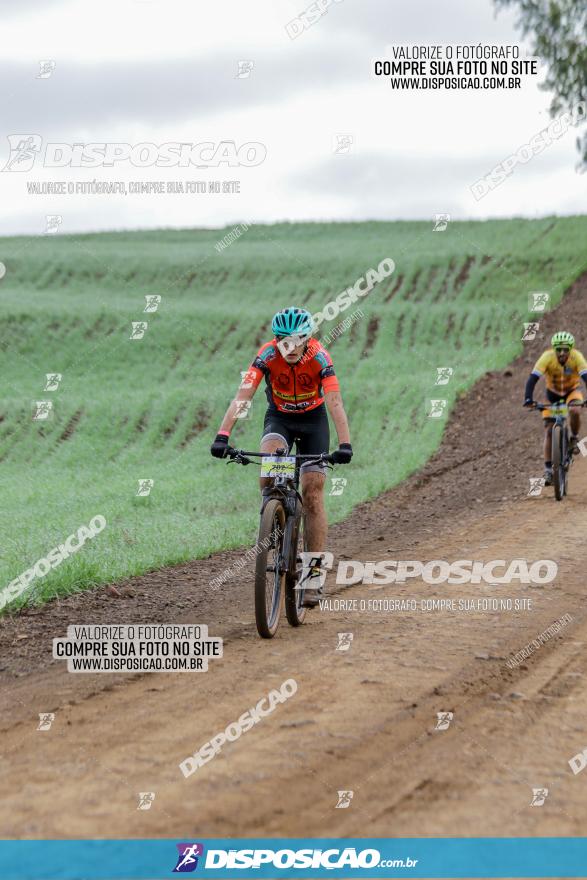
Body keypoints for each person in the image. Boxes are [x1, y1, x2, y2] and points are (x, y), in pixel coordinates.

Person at [210, 306, 352, 606]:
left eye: (297, 339)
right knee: (268, 475)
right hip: (280, 419)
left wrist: (345, 443)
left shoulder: (320, 358)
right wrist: (223, 435)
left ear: (307, 338)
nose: (289, 346)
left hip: (314, 422)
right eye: (283, 340)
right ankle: (274, 523)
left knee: (312, 492)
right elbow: (243, 395)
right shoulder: (267, 355)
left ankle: (313, 576)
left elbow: (335, 401)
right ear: (276, 340)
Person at [523, 331, 587, 485]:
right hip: (552, 394)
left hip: (572, 392)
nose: (562, 353)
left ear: (570, 349)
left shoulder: (577, 357)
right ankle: (548, 471)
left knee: (575, 410)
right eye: (559, 349)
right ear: (554, 349)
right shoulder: (547, 357)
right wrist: (528, 398)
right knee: (549, 430)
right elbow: (533, 378)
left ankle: (574, 438)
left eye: (565, 349)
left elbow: (586, 377)